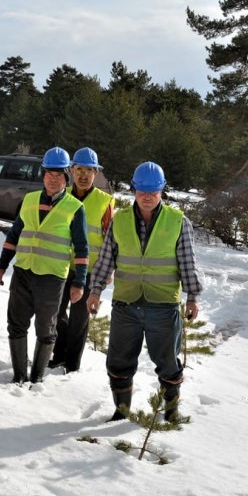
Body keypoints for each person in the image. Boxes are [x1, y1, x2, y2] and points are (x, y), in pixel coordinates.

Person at [86, 161, 202, 423]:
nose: (147, 197)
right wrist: (95, 291)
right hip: (126, 305)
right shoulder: (121, 220)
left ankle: (171, 412)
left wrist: (193, 296)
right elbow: (106, 259)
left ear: (162, 191)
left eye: (153, 191)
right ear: (134, 190)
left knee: (169, 363)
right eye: (142, 191)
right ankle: (121, 411)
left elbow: (188, 262)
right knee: (118, 362)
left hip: (163, 306)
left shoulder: (178, 221)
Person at [0, 146, 89, 385]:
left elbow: (82, 248)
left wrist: (79, 282)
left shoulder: (75, 208)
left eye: (59, 175)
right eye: (49, 174)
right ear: (43, 175)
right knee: (16, 324)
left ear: (66, 177)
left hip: (52, 277)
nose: (53, 179)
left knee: (46, 329)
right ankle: (18, 376)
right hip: (23, 272)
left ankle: (36, 378)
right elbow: (14, 234)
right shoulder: (29, 200)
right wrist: (2, 265)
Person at [49, 147, 114, 373]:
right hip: (60, 266)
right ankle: (58, 355)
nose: (84, 175)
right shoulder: (60, 195)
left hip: (88, 271)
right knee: (55, 313)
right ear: (72, 170)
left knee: (79, 319)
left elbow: (110, 240)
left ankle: (72, 364)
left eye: (89, 170)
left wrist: (108, 271)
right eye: (79, 169)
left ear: (96, 174)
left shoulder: (106, 202)